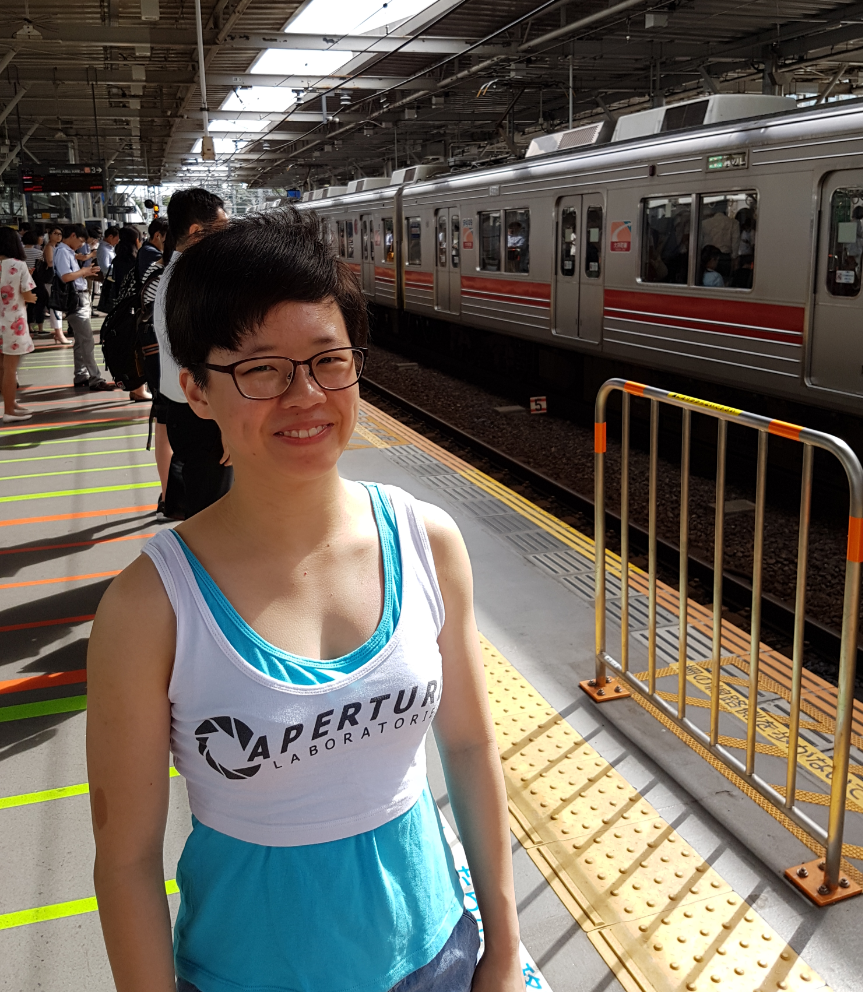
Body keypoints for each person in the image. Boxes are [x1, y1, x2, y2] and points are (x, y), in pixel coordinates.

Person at [86, 207, 523, 992]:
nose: (306, 395)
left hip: (439, 957)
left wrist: (501, 946)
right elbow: (125, 862)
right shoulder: (151, 607)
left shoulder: (427, 542)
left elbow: (467, 748)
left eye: (328, 361)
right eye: (261, 369)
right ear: (195, 390)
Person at [153, 187, 231, 517]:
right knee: (213, 512)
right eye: (221, 229)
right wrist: (227, 425)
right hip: (203, 416)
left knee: (201, 506)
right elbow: (207, 358)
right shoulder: (194, 283)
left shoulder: (172, 274)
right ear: (197, 232)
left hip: (182, 409)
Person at [53, 223, 115, 391]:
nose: (81, 245)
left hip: (79, 297)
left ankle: (81, 374)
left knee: (81, 340)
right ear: (73, 235)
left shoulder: (66, 251)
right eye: (81, 241)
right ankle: (95, 378)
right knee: (87, 340)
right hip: (75, 299)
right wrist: (84, 272)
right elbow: (65, 276)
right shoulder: (62, 251)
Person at [0, 226, 37, 422]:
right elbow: (27, 294)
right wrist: (33, 298)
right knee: (10, 369)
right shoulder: (18, 265)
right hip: (13, 322)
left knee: (2, 368)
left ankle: (11, 403)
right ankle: (9, 411)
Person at [42, 226, 71, 346]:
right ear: (49, 234)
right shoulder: (49, 247)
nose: (58, 236)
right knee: (56, 307)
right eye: (55, 233)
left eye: (60, 234)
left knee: (57, 307)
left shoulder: (56, 247)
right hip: (51, 280)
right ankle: (59, 333)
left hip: (56, 280)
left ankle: (58, 332)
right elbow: (50, 263)